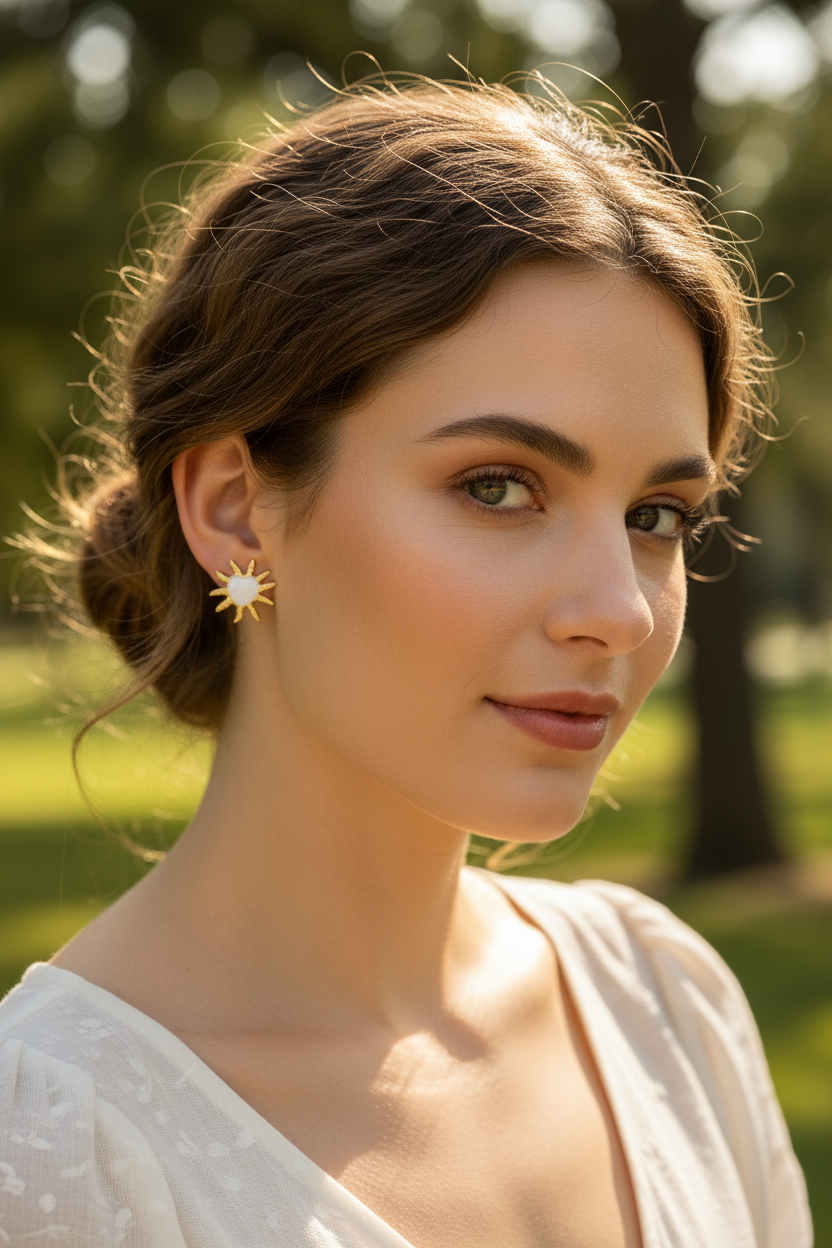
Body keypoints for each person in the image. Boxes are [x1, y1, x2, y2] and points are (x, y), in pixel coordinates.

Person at [0, 75, 812, 1248]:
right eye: (497, 486)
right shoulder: (55, 1161)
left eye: (656, 515)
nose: (619, 613)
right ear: (236, 508)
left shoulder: (662, 1003)